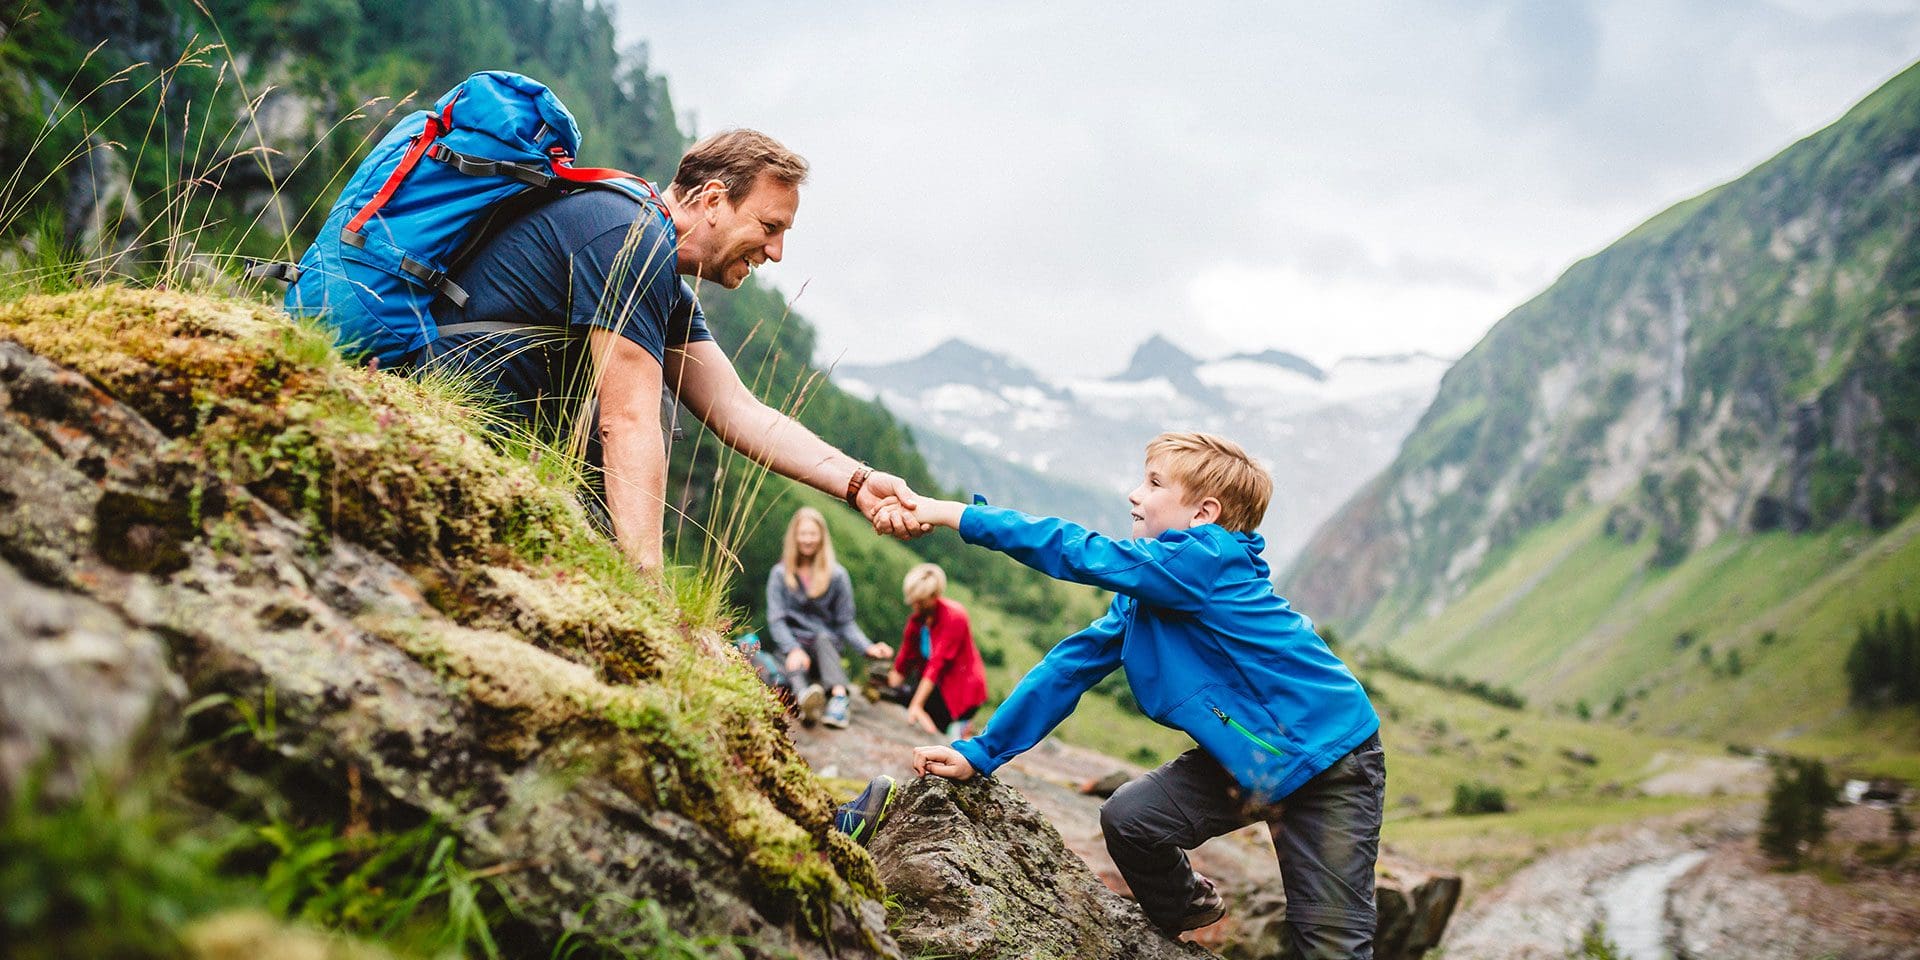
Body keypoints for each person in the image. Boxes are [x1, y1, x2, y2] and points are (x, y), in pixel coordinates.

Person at [897, 432, 1384, 957]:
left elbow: (1074, 551)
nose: (1134, 494)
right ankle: (1186, 908)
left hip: (1330, 765)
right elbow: (1069, 667)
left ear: (1204, 513)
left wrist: (953, 515)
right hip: (1246, 760)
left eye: (1153, 483)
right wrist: (982, 752)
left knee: (1330, 945)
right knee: (1131, 820)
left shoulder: (1206, 562)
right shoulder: (1147, 596)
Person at [415, 128, 921, 569]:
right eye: (770, 228)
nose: (776, 253)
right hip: (454, 417)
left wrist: (858, 482)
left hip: (496, 432)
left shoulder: (656, 270)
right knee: (642, 406)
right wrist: (648, 587)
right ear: (715, 200)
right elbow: (627, 420)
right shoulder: (628, 238)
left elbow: (738, 410)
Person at [766, 507, 892, 728]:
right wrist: (792, 648)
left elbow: (846, 622)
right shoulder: (779, 574)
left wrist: (867, 648)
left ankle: (839, 699)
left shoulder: (837, 576)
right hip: (794, 650)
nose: (807, 539)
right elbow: (777, 620)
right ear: (794, 537)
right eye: (802, 534)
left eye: (812, 534)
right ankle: (805, 699)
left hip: (826, 652)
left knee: (824, 638)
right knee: (790, 666)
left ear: (822, 538)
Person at [883, 563, 988, 739]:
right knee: (896, 694)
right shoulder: (917, 622)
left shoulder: (954, 617)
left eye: (920, 601)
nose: (915, 605)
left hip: (959, 691)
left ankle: (957, 728)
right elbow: (904, 661)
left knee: (908, 699)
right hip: (935, 687)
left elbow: (936, 664)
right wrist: (888, 684)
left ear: (934, 596)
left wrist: (916, 705)